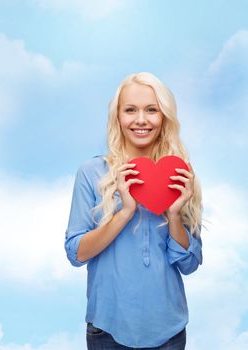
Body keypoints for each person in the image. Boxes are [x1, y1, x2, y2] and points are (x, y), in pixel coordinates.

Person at [64, 72, 203, 350]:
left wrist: (174, 215)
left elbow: (189, 265)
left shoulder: (179, 174)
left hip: (169, 331)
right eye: (130, 110)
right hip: (108, 330)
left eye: (151, 110)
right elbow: (76, 254)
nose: (141, 120)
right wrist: (125, 211)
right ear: (117, 117)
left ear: (164, 117)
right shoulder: (91, 173)